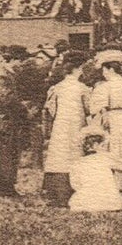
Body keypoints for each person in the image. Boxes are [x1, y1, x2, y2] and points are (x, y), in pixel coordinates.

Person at [86, 51, 122, 195]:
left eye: (104, 69)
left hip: (111, 118)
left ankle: (112, 185)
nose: (103, 73)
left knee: (111, 149)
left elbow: (96, 107)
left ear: (110, 69)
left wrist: (102, 118)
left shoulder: (105, 86)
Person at [41, 52, 91, 208]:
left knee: (59, 155)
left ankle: (55, 192)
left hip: (60, 126)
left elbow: (50, 109)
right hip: (76, 125)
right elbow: (89, 108)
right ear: (79, 69)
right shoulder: (82, 88)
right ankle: (72, 191)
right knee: (74, 154)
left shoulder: (57, 87)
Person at [0, 45, 28, 197]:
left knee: (5, 156)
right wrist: (25, 109)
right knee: (1, 156)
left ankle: (6, 187)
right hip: (1, 123)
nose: (21, 65)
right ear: (12, 59)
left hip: (4, 121)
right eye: (20, 61)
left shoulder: (3, 72)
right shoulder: (0, 75)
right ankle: (0, 189)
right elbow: (7, 99)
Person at [69, 126, 122, 212]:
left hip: (85, 200)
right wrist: (116, 157)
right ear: (95, 145)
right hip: (108, 201)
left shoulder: (79, 162)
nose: (105, 149)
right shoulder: (104, 158)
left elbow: (75, 183)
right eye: (103, 146)